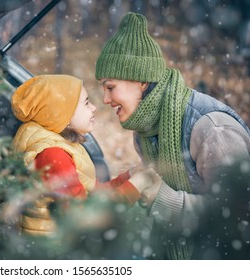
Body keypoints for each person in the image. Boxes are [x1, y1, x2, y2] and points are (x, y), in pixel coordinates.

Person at [95, 12, 250, 259]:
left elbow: (239, 215)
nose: (105, 99)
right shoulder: (144, 131)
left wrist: (164, 198)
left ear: (141, 82)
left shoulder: (212, 129)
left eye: (110, 87)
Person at [11, 74, 153, 236]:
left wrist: (128, 177)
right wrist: (138, 184)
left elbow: (92, 192)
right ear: (63, 114)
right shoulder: (52, 154)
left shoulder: (59, 145)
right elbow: (84, 218)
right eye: (86, 103)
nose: (93, 108)